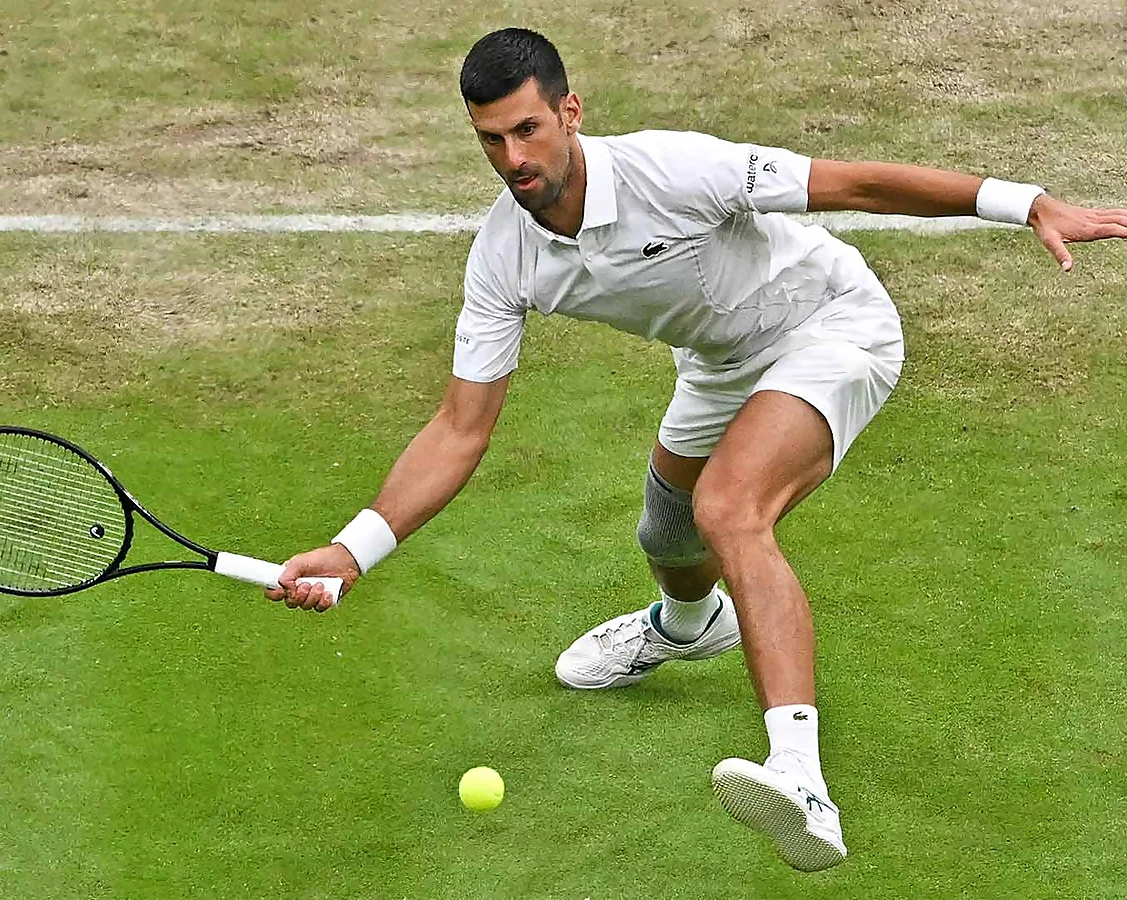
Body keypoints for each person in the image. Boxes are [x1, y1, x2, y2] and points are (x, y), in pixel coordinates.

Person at [267, 28, 1127, 871]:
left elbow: (855, 184)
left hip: (831, 324)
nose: (513, 156)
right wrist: (352, 551)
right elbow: (460, 429)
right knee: (668, 537)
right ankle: (686, 628)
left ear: (569, 113)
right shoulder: (505, 255)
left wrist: (1026, 202)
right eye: (490, 139)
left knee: (728, 509)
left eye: (527, 129)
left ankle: (801, 776)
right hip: (719, 362)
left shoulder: (673, 170)